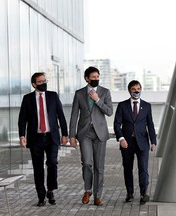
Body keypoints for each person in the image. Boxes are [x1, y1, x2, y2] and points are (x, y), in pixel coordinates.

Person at [18, 72, 68, 207]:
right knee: (38, 168)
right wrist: (22, 136)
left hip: (52, 137)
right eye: (40, 82)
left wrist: (65, 134)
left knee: (52, 162)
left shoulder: (53, 96)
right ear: (34, 84)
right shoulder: (27, 99)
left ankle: (50, 190)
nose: (43, 83)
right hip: (35, 139)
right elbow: (22, 119)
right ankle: (41, 196)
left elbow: (61, 116)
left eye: (44, 81)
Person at [67, 66, 113, 206]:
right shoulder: (79, 93)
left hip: (100, 133)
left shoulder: (105, 92)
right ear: (87, 78)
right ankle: (88, 190)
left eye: (97, 77)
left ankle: (98, 196)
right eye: (93, 77)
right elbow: (74, 115)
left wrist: (98, 100)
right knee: (87, 162)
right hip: (84, 133)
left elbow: (110, 111)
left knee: (99, 166)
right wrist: (72, 136)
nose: (96, 79)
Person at [113, 80, 157, 205]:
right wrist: (121, 139)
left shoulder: (147, 106)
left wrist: (153, 141)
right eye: (134, 89)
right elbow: (117, 124)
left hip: (142, 142)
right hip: (127, 142)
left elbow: (150, 124)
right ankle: (130, 193)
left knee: (143, 168)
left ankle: (144, 194)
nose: (136, 91)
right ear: (129, 91)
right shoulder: (122, 105)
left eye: (138, 88)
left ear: (141, 89)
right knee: (128, 168)